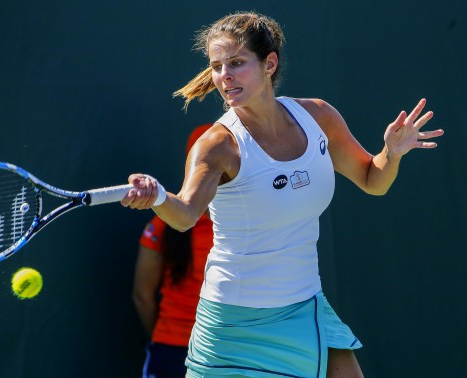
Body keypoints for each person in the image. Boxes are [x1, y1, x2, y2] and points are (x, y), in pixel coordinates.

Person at [122, 11, 444, 378]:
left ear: (269, 64)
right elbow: (185, 215)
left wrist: (392, 154)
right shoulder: (217, 146)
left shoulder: (319, 117)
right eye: (216, 66)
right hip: (235, 324)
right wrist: (159, 197)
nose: (224, 76)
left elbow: (374, 180)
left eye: (237, 63)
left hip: (305, 306)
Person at [132, 124, 214, 378]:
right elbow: (142, 295)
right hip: (171, 352)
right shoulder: (163, 224)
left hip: (230, 352)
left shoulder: (250, 221)